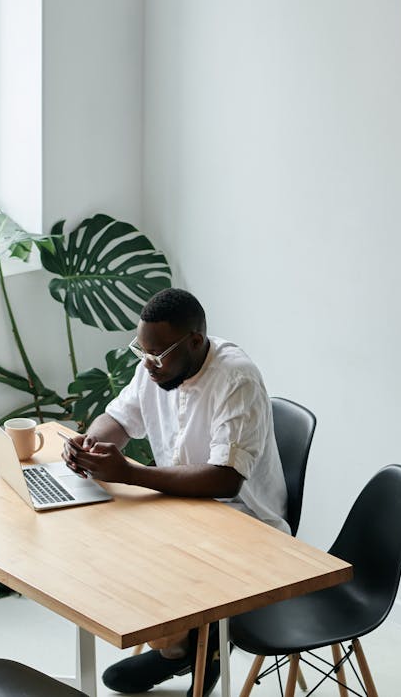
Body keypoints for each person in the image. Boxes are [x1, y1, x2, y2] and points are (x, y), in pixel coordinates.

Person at [62, 287, 289, 697]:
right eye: (142, 352)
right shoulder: (156, 363)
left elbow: (225, 480)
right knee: (107, 554)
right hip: (181, 506)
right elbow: (118, 418)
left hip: (243, 520)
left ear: (196, 341)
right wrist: (88, 445)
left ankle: (197, 645)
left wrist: (131, 473)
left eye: (159, 355)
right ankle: (183, 649)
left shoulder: (235, 378)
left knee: (149, 562)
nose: (149, 364)